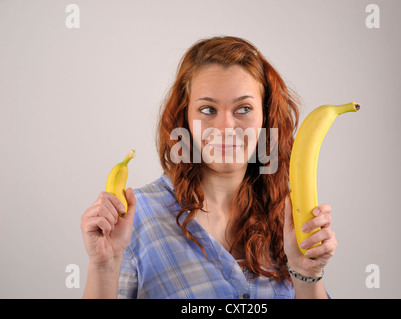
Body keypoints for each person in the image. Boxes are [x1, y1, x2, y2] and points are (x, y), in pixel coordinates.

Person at [80, 36, 337, 299]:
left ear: (265, 117)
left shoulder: (289, 217)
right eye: (207, 109)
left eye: (244, 108)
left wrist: (306, 273)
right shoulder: (133, 218)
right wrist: (104, 266)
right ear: (185, 117)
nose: (225, 127)